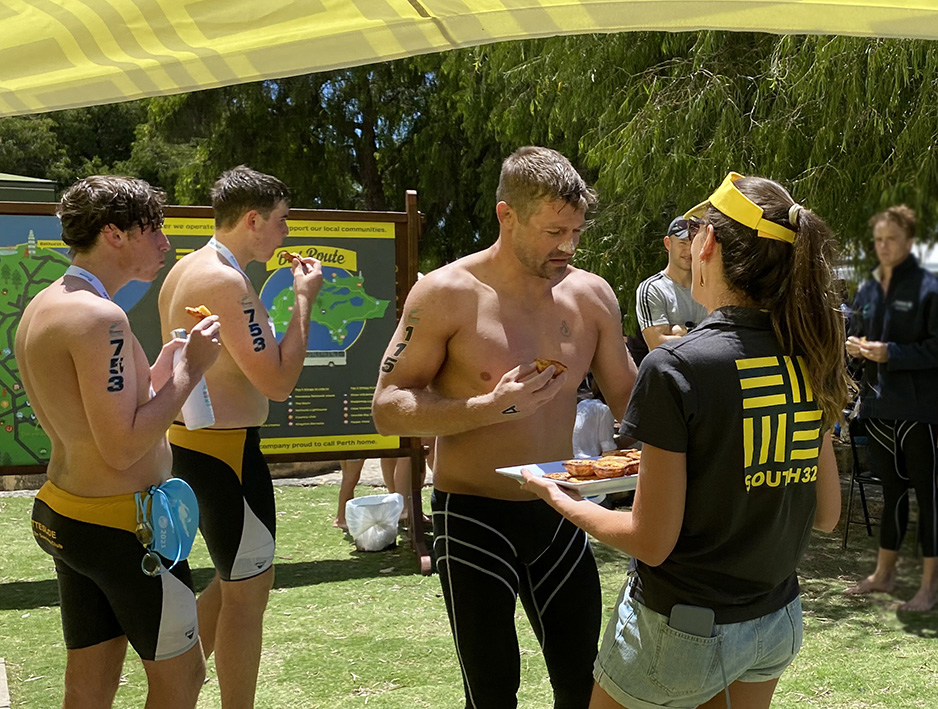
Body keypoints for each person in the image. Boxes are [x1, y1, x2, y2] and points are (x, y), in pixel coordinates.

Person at [522, 171, 847, 709]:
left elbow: (651, 540)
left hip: (683, 631)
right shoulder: (809, 354)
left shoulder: (676, 366)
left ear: (708, 244)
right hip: (776, 622)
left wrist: (559, 497)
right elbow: (826, 513)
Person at [372, 146, 637, 708]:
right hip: (472, 514)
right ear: (506, 215)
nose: (567, 245)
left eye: (576, 231)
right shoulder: (447, 293)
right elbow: (388, 406)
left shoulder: (590, 296)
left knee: (584, 685)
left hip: (560, 509)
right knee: (492, 692)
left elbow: (632, 402)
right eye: (552, 231)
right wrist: (488, 408)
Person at [18, 176, 221, 707]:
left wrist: (163, 366)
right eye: (153, 230)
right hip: (123, 525)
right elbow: (123, 446)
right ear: (114, 233)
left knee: (89, 682)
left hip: (70, 513)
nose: (165, 244)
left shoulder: (47, 304)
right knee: (182, 680)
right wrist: (193, 371)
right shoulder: (100, 317)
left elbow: (96, 412)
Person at [158, 165, 323, 707]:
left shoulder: (188, 267)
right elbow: (276, 382)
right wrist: (304, 301)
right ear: (252, 220)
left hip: (195, 447)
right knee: (249, 597)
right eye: (280, 222)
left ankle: (179, 689)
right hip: (226, 454)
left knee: (233, 583)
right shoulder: (225, 280)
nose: (286, 235)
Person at [844, 205, 938, 612]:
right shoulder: (866, 289)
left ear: (909, 242)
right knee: (893, 491)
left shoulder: (929, 289)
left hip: (921, 411)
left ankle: (930, 587)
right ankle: (884, 575)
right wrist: (856, 347)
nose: (883, 247)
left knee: (929, 496)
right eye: (878, 240)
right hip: (878, 408)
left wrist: (891, 353)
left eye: (892, 239)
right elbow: (859, 334)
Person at [635, 216, 708, 354]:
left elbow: (723, 337)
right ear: (668, 244)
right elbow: (658, 345)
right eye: (682, 243)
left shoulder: (709, 285)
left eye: (693, 243)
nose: (689, 250)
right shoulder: (652, 289)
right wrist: (703, 332)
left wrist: (682, 331)